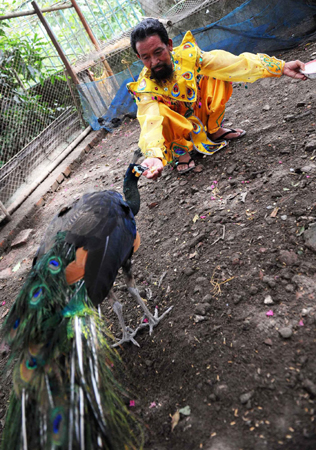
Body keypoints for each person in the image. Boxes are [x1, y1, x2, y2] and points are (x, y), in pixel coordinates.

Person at [127, 18, 307, 178]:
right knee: (158, 111)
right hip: (175, 128)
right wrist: (154, 155)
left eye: (158, 52)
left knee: (217, 72)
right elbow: (150, 122)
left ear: (169, 45)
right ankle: (180, 150)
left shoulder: (190, 58)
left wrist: (280, 66)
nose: (154, 62)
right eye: (146, 57)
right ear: (139, 57)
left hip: (196, 111)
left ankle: (213, 128)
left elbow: (232, 64)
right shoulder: (145, 88)